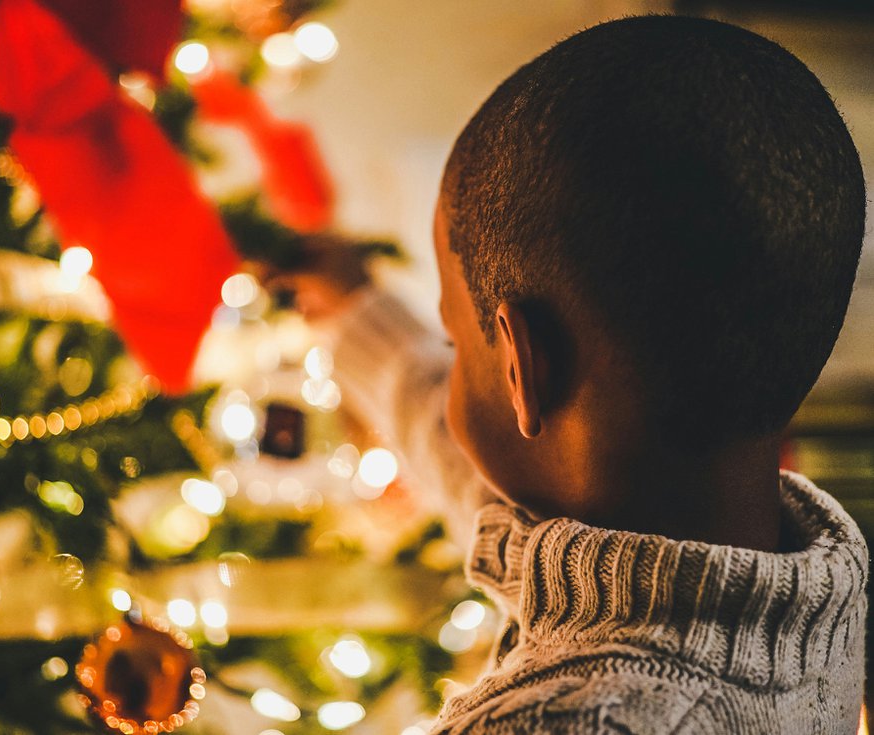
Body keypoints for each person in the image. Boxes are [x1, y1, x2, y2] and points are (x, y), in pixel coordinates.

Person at [271, 14, 869, 734]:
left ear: (523, 366)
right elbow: (484, 477)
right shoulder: (798, 579)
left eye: (458, 339)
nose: (452, 360)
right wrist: (354, 310)